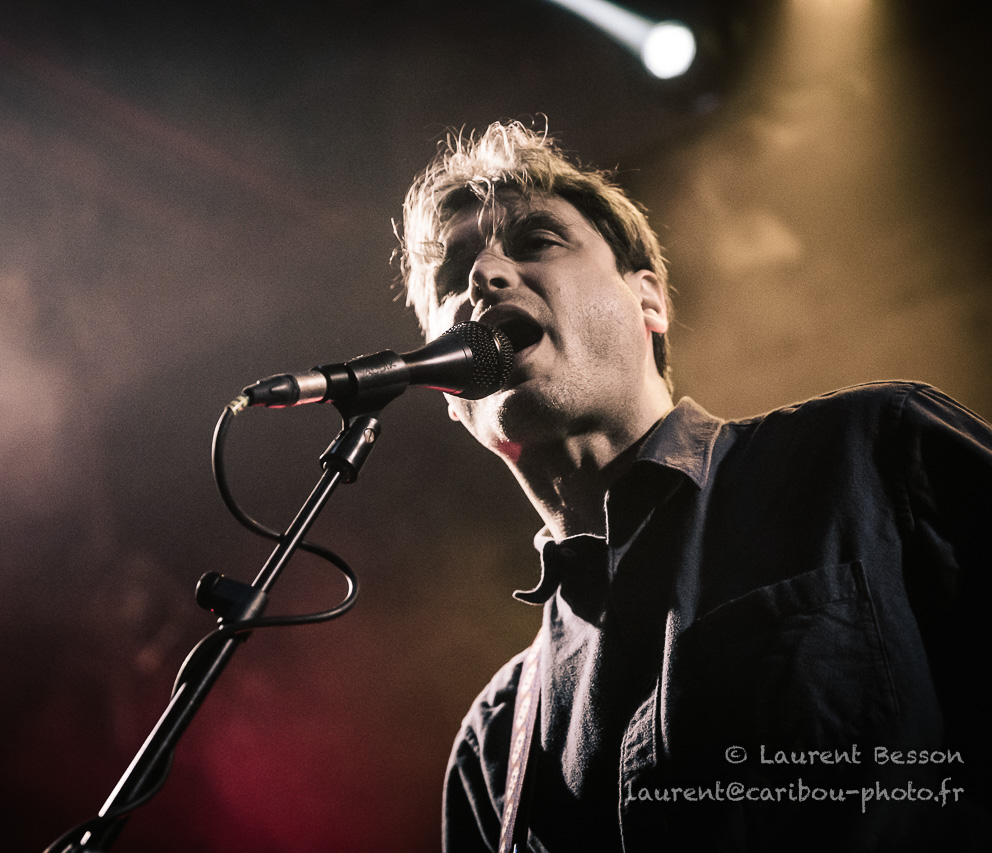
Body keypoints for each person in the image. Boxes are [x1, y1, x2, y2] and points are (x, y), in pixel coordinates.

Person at [395, 120, 989, 852]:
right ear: (449, 393)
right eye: (453, 277)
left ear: (649, 300)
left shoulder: (873, 454)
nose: (483, 276)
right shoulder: (494, 746)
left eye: (537, 241)